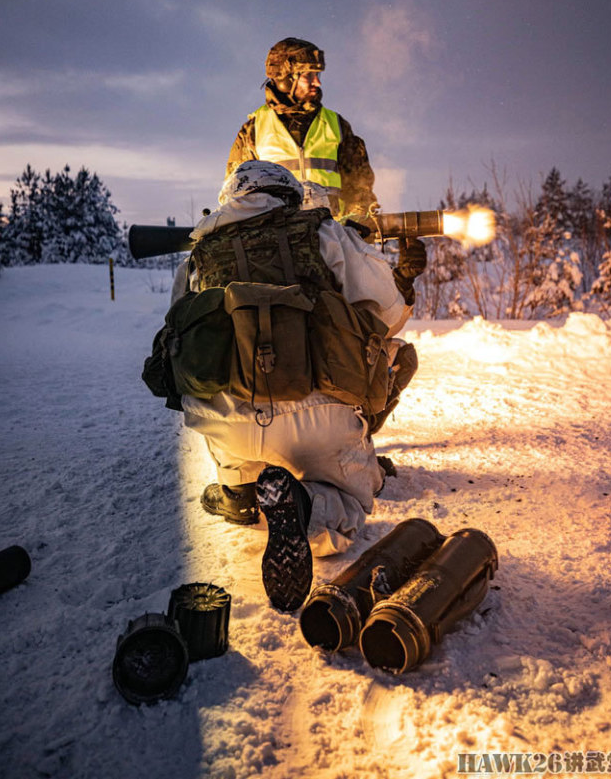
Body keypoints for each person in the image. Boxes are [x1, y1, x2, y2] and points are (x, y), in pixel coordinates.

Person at [178, 161, 427, 612]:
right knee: (349, 512)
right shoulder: (323, 231)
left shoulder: (199, 250)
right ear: (289, 194)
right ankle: (305, 505)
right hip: (320, 413)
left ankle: (238, 491)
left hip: (228, 417)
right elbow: (387, 314)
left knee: (220, 410)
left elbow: (179, 339)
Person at [225, 37, 378, 222]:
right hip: (279, 242)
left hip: (332, 238)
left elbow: (360, 188)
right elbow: (235, 197)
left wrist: (354, 228)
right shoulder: (253, 131)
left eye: (318, 75)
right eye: (309, 76)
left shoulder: (337, 125)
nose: (317, 83)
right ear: (285, 78)